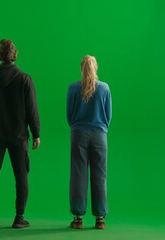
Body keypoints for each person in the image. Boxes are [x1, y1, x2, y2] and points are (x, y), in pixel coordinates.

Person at [0, 39, 40, 229]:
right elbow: (32, 109)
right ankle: (19, 218)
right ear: (14, 55)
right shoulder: (24, 79)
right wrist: (36, 133)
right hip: (18, 135)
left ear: (0, 55)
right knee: (21, 176)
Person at [67, 55, 112, 229]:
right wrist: (100, 127)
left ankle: (78, 217)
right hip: (100, 135)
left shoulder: (72, 88)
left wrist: (78, 126)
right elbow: (108, 115)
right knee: (100, 175)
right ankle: (100, 218)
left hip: (78, 133)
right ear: (96, 68)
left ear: (81, 68)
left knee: (78, 174)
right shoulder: (104, 88)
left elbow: (69, 115)